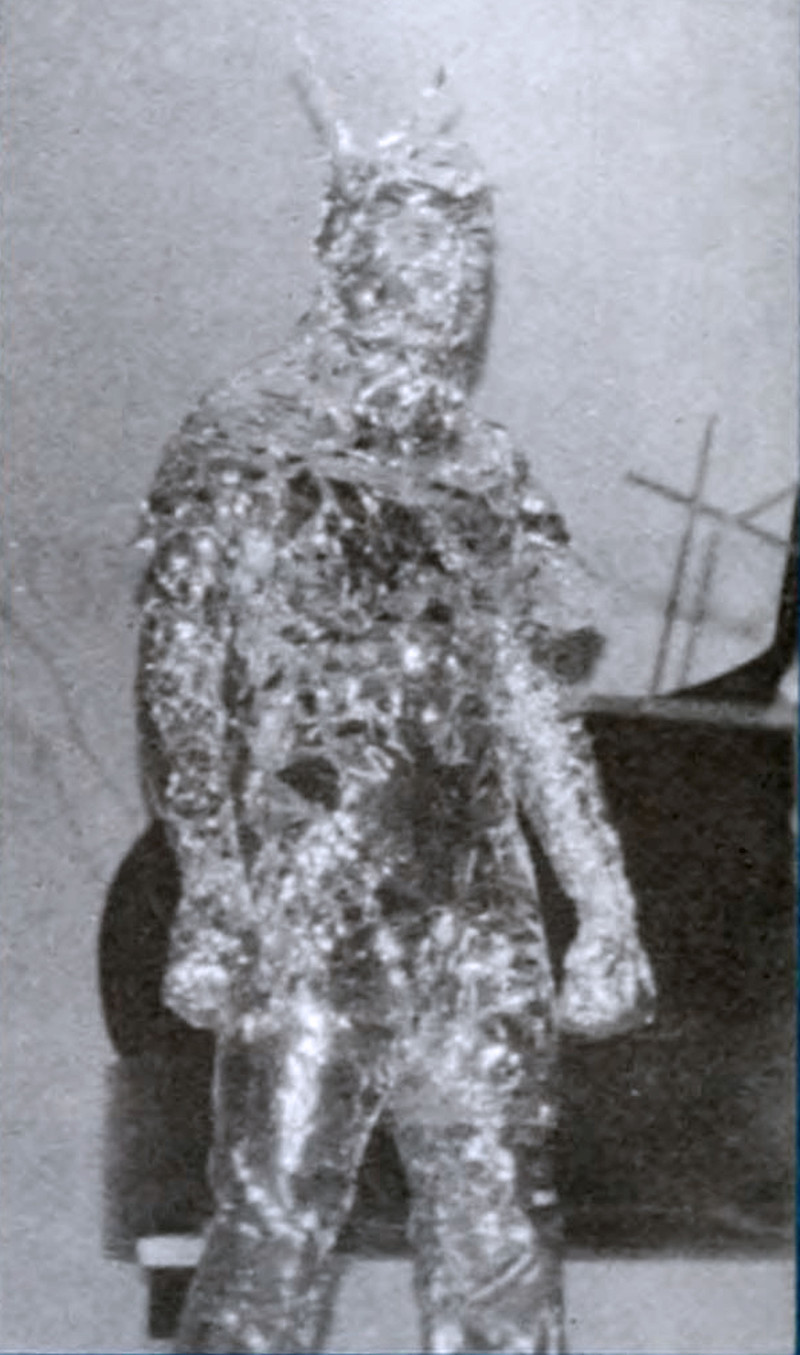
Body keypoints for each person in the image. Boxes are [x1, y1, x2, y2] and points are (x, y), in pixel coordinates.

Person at [135, 85, 655, 1355]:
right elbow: (180, 671)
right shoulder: (244, 438)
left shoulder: (484, 465)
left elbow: (527, 696)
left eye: (468, 258)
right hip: (309, 898)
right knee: (272, 1228)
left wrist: (601, 899)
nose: (449, 286)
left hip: (477, 909)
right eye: (420, 249)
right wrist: (209, 885)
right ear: (347, 261)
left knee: (503, 1236)